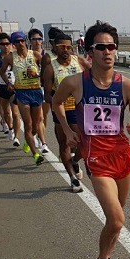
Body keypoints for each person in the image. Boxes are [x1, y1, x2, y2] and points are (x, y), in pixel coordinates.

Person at [52, 21, 130, 259]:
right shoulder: (75, 82)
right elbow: (56, 102)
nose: (108, 51)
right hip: (96, 159)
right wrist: (68, 130)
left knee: (115, 216)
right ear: (90, 51)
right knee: (117, 219)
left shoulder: (128, 86)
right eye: (101, 47)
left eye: (112, 47)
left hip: (122, 156)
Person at [43, 32, 90, 192]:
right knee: (64, 144)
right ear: (54, 48)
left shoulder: (79, 61)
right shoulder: (51, 68)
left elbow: (95, 75)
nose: (65, 50)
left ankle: (75, 161)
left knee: (84, 143)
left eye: (69, 47)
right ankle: (72, 179)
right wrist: (57, 102)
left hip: (79, 109)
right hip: (61, 110)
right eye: (62, 47)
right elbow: (47, 94)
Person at [0, 31, 46, 164]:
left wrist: (37, 73)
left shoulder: (35, 55)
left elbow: (46, 71)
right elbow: (2, 71)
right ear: (14, 44)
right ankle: (35, 153)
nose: (20, 43)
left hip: (35, 91)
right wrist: (8, 83)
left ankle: (28, 139)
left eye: (22, 41)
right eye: (17, 41)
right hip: (21, 93)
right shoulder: (10, 57)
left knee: (36, 125)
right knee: (28, 123)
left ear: (25, 41)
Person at [0, 32, 21, 146]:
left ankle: (16, 137)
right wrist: (1, 71)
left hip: (14, 88)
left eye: (7, 43)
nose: (5, 46)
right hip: (1, 88)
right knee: (6, 113)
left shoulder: (15, 56)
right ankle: (10, 128)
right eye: (2, 44)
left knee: (15, 113)